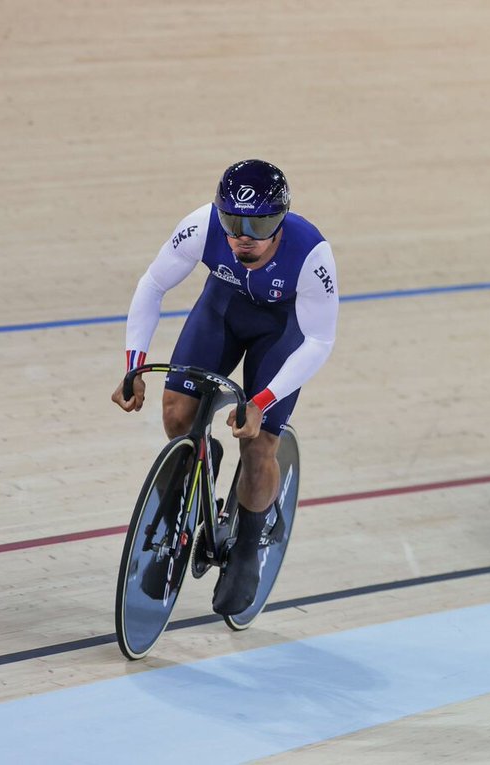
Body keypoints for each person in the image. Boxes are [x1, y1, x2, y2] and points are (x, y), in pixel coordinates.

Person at [111, 159, 339, 615]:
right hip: (223, 311)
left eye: (259, 224)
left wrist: (261, 401)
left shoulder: (311, 255)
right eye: (233, 222)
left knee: (257, 445)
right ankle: (198, 467)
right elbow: (152, 284)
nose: (243, 236)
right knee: (177, 413)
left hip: (282, 330)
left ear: (282, 220)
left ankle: (251, 541)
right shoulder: (201, 225)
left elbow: (318, 341)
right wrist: (132, 365)